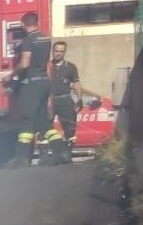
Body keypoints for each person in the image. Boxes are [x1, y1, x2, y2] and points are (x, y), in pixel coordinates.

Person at [44, 41, 104, 164]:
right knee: (46, 128)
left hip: (65, 100)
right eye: (56, 51)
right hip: (49, 100)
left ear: (64, 52)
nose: (58, 53)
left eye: (61, 51)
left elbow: (76, 84)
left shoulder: (71, 67)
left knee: (70, 129)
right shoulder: (46, 66)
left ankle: (66, 155)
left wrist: (80, 99)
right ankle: (47, 156)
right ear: (52, 51)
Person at [6, 12, 53, 166]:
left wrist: (11, 74)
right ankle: (47, 155)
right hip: (44, 81)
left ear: (23, 24)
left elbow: (25, 64)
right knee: (42, 120)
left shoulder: (28, 40)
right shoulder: (46, 39)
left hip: (31, 83)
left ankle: (21, 158)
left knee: (27, 120)